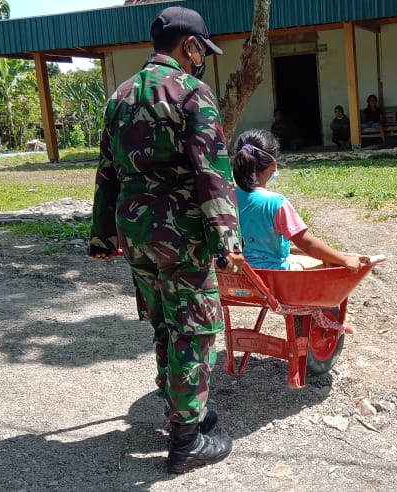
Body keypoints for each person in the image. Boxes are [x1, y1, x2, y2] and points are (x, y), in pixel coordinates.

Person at [87, 6, 243, 474]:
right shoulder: (193, 92)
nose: (201, 59)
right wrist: (226, 238)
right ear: (189, 45)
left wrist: (101, 236)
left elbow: (107, 172)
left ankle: (184, 409)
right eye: (202, 50)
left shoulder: (120, 95)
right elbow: (211, 170)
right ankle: (186, 441)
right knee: (194, 330)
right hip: (181, 233)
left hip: (137, 230)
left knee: (164, 324)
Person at [230, 128, 368, 272]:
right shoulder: (275, 203)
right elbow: (306, 244)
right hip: (274, 278)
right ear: (273, 165)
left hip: (237, 275)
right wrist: (345, 259)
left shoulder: (228, 199)